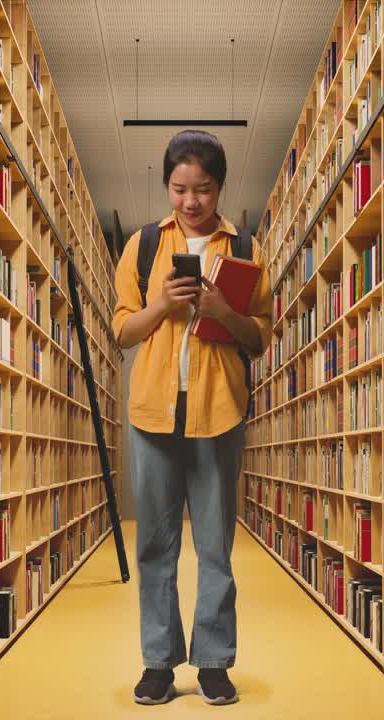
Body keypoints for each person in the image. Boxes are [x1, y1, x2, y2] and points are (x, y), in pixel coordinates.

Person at [112, 130, 273, 706]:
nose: (190, 201)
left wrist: (222, 311)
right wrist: (164, 305)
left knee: (214, 549)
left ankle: (213, 663)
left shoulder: (246, 248)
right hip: (153, 414)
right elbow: (122, 329)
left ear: (219, 188)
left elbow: (259, 338)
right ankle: (158, 662)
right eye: (180, 188)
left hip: (219, 413)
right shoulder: (145, 246)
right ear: (167, 187)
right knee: (154, 547)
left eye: (202, 189)